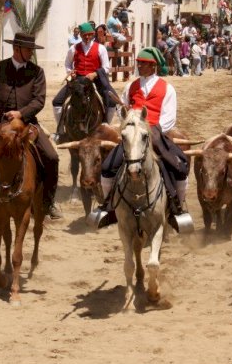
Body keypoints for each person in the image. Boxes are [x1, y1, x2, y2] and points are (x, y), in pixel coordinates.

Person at [93, 47, 192, 232]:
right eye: (138, 63)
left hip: (155, 133)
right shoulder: (131, 85)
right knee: (107, 168)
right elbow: (122, 112)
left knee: (180, 166)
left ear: (153, 66)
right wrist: (129, 125)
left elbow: (170, 116)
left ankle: (178, 208)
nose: (139, 66)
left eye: (143, 64)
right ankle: (110, 209)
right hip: (132, 134)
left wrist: (149, 129)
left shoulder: (167, 88)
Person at [0, 32, 60, 220]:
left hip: (27, 125)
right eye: (28, 50)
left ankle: (48, 203)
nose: (31, 53)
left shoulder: (37, 72)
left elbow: (39, 101)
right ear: (17, 49)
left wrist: (21, 113)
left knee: (52, 157)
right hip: (1, 124)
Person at [52, 22, 118, 134]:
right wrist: (70, 72)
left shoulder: (101, 48)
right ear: (81, 35)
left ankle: (105, 126)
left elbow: (106, 67)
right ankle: (61, 129)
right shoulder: (73, 48)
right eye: (84, 35)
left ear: (93, 34)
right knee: (57, 101)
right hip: (78, 80)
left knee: (112, 102)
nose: (87, 37)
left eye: (89, 34)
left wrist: (95, 74)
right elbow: (68, 64)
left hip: (96, 80)